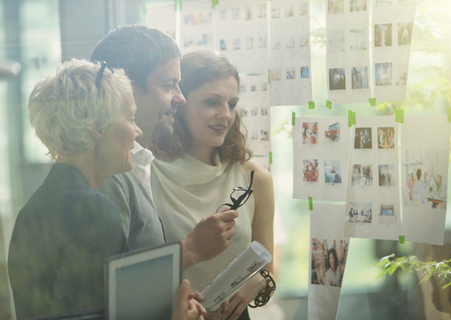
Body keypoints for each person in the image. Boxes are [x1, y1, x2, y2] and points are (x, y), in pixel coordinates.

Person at [8, 59, 205, 320]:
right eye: (131, 118)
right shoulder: (92, 210)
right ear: (97, 127)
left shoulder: (36, 206)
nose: (137, 131)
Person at [91, 25, 238, 271]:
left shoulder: (138, 160)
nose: (180, 98)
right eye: (169, 85)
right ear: (126, 87)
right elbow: (107, 285)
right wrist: (191, 249)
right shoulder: (108, 171)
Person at [150, 51, 275, 320]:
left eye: (231, 104)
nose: (225, 115)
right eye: (211, 102)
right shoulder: (148, 172)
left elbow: (268, 268)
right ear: (180, 103)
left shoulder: (256, 179)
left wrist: (258, 280)